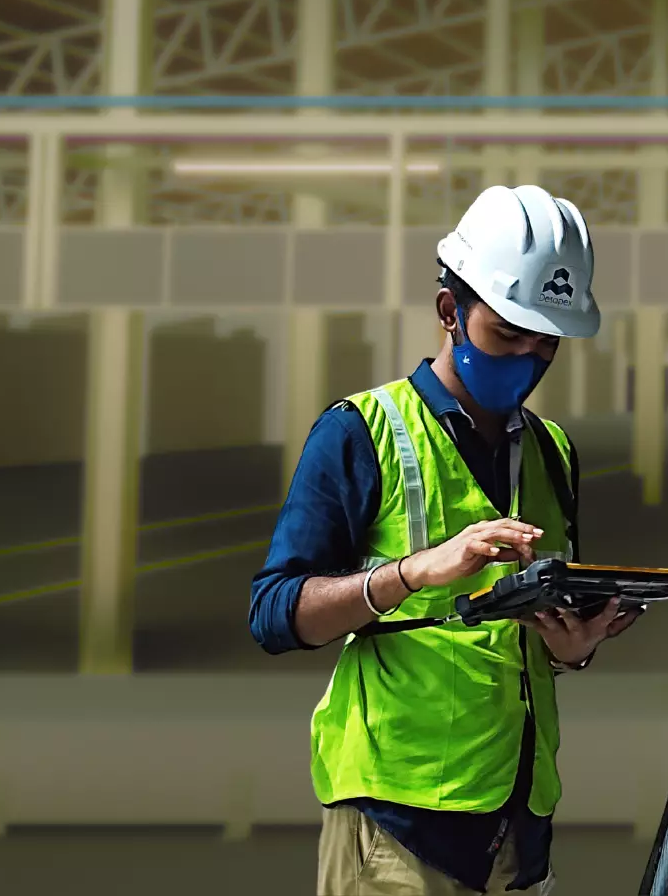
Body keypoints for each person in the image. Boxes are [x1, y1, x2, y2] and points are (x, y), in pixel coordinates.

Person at [249, 184, 638, 896]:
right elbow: (276, 615)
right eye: (507, 334)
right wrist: (416, 571)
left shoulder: (552, 450)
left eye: (544, 341)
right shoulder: (362, 432)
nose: (526, 357)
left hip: (520, 825)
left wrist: (568, 651)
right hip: (399, 829)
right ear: (448, 311)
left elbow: (518, 642)